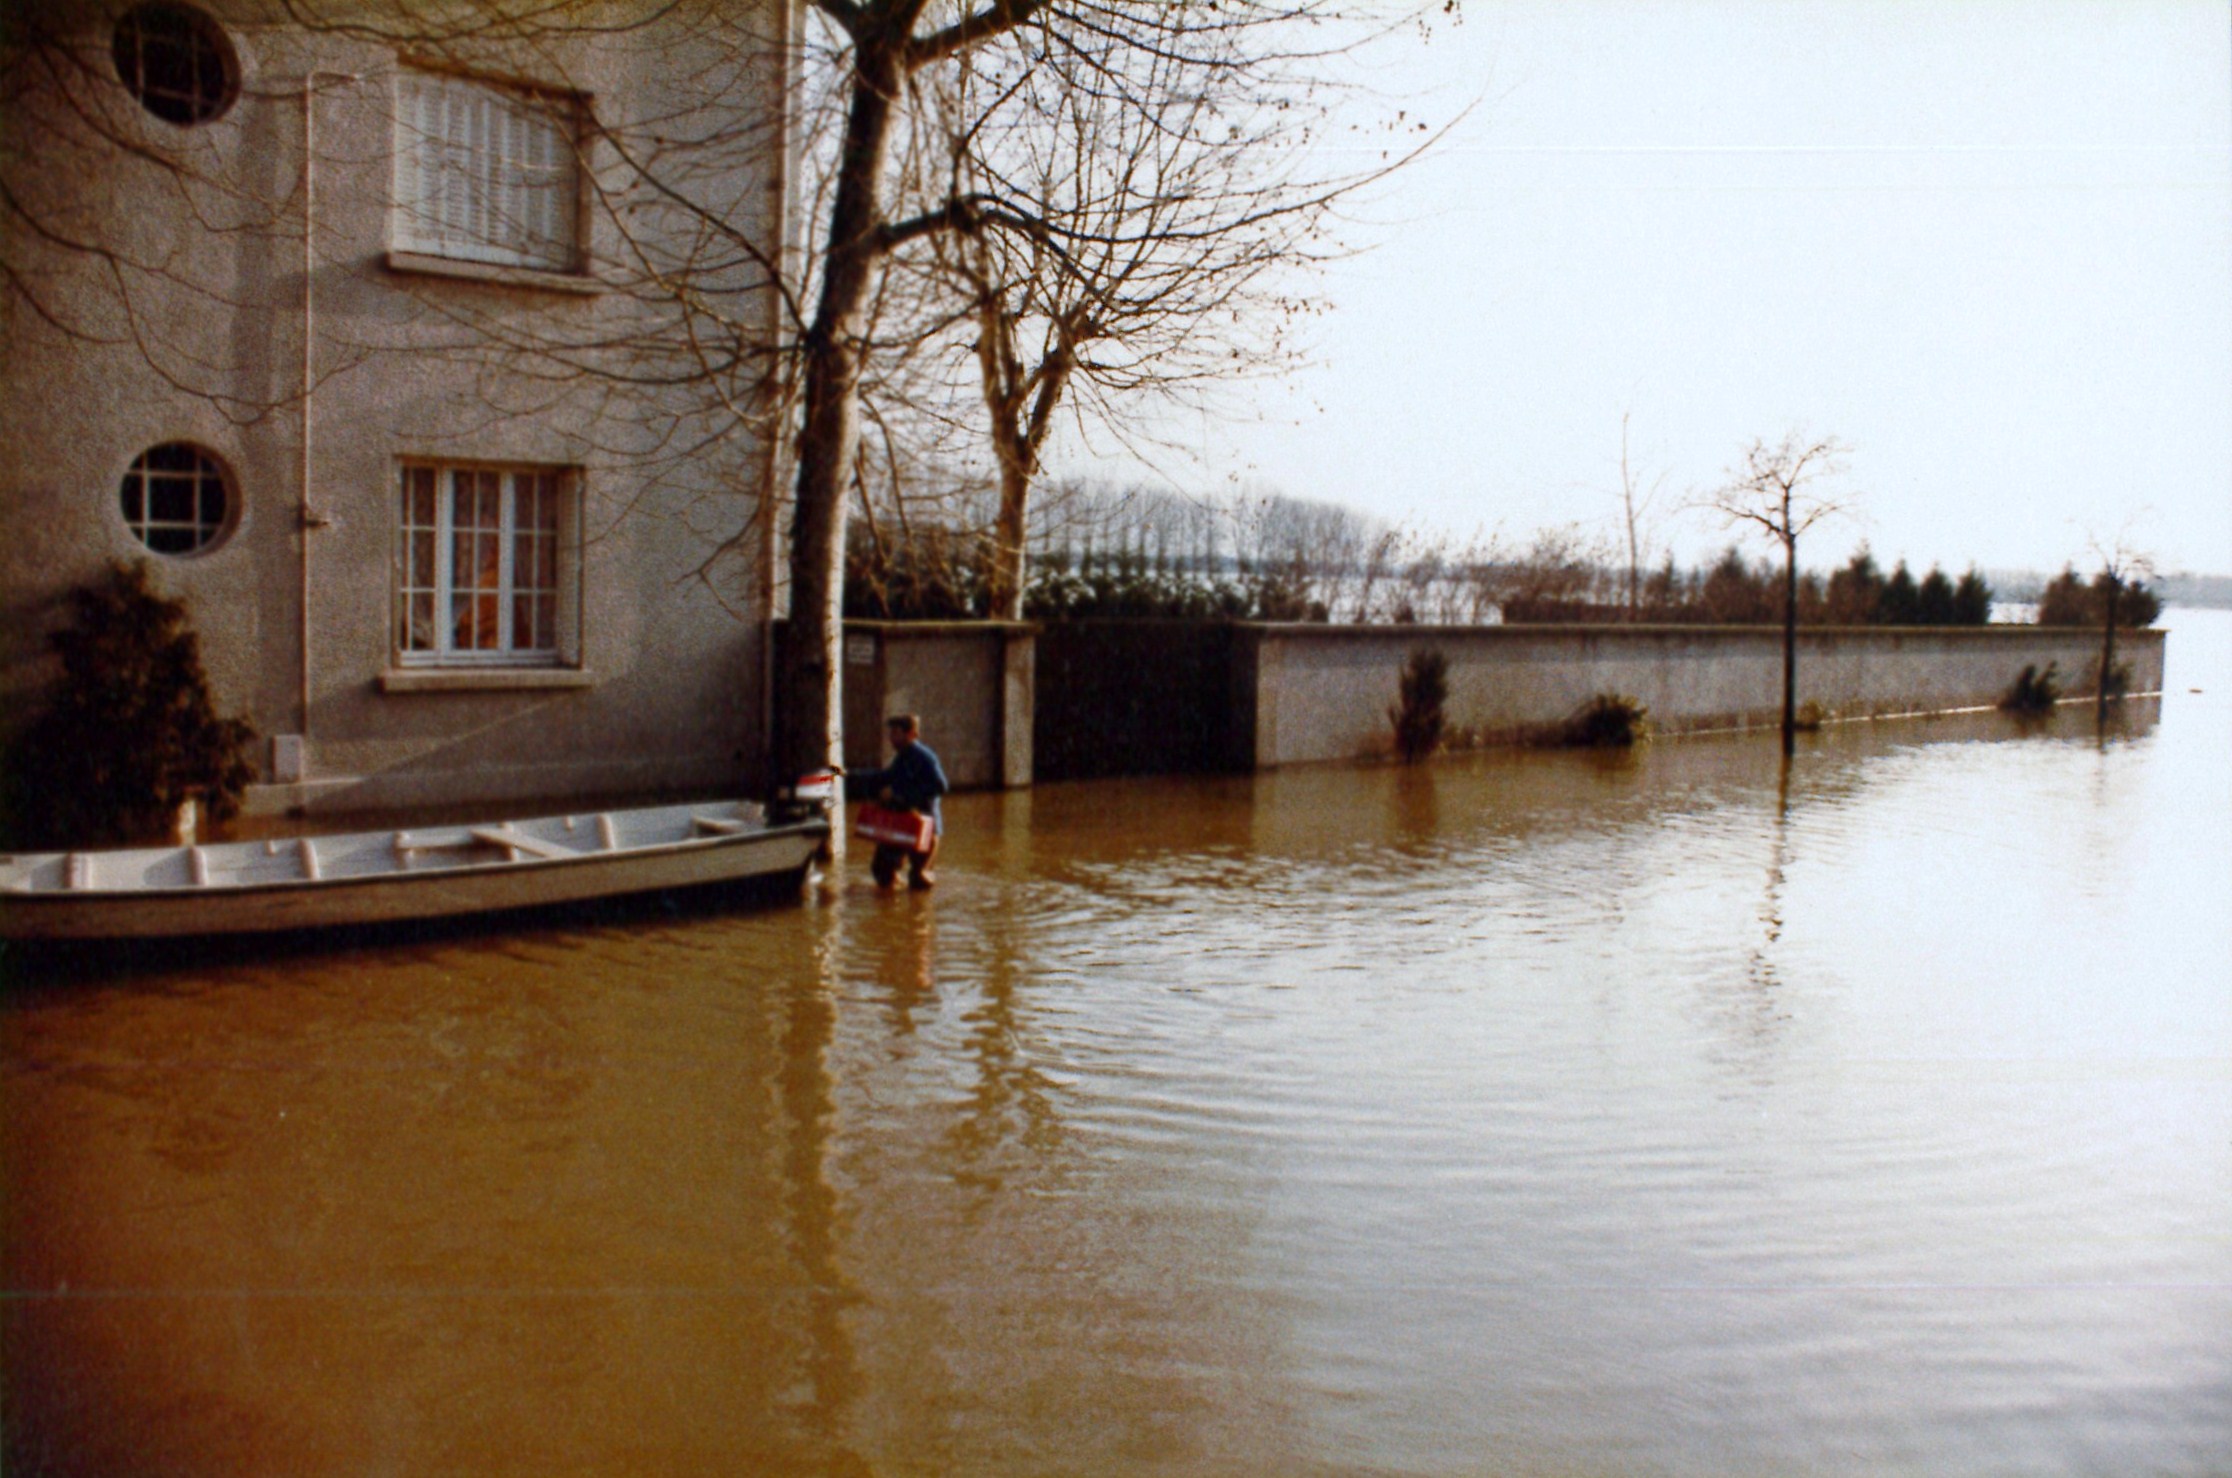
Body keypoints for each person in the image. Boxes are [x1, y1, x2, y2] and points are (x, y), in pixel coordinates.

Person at [852, 713, 948, 890]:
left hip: (924, 826)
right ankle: (893, 906)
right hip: (901, 823)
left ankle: (918, 912)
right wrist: (848, 775)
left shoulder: (925, 758)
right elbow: (884, 777)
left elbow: (940, 786)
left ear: (911, 734)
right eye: (891, 733)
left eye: (896, 733)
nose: (891, 739)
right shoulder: (902, 758)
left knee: (919, 878)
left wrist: (902, 795)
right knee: (882, 870)